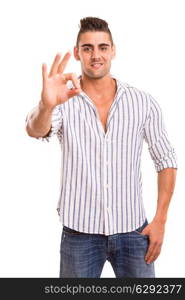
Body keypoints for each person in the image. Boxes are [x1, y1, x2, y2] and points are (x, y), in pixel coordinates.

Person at [25, 17, 178, 278]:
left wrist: (160, 220)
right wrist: (47, 105)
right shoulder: (64, 100)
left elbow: (166, 160)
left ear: (113, 50)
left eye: (103, 47)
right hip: (79, 236)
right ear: (77, 53)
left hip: (133, 232)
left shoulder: (142, 102)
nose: (96, 55)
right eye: (87, 48)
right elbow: (36, 129)